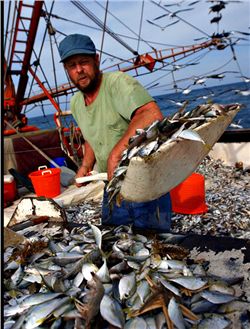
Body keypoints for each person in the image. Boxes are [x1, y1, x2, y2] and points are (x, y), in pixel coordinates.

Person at [59, 34, 171, 231]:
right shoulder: (76, 102)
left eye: (84, 62)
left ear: (96, 60)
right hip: (112, 185)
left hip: (144, 181)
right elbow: (90, 137)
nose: (79, 70)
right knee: (114, 241)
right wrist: (85, 166)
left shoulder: (118, 83)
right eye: (72, 65)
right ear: (66, 70)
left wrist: (115, 154)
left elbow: (151, 114)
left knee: (152, 247)